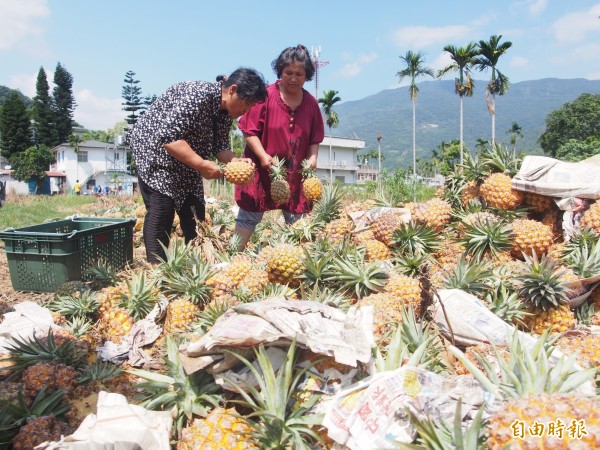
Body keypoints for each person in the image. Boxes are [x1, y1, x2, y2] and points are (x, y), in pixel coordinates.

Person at [127, 67, 267, 264]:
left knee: (195, 211)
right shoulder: (197, 95)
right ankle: (156, 268)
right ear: (232, 90)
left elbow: (220, 146)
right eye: (246, 103)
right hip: (156, 151)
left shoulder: (225, 112)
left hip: (187, 157)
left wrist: (234, 161)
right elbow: (169, 138)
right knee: (162, 210)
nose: (246, 110)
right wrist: (201, 164)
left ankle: (196, 263)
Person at [234, 45, 325, 249]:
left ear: (307, 75)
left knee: (299, 222)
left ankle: (304, 266)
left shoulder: (310, 103)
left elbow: (314, 138)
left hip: (295, 174)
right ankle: (231, 259)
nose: (294, 78)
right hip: (261, 169)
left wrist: (312, 158)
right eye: (288, 73)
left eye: (299, 74)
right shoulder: (265, 97)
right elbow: (249, 130)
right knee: (248, 216)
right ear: (280, 71)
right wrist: (263, 156)